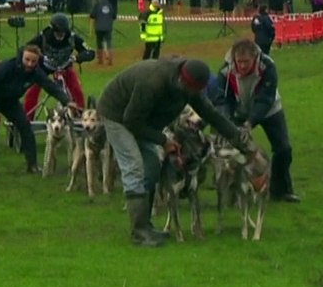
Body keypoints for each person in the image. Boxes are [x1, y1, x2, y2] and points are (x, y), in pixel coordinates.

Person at [96, 57, 261, 247]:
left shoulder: (190, 86)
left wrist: (243, 145)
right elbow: (131, 121)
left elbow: (212, 115)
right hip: (117, 115)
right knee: (134, 167)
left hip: (142, 119)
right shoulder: (152, 82)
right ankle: (139, 233)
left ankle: (146, 226)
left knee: (151, 166)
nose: (192, 94)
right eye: (190, 90)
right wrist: (163, 140)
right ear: (182, 81)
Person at [212, 39, 299, 203]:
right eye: (239, 62)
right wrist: (228, 122)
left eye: (246, 62)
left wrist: (250, 123)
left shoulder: (268, 66)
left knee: (283, 149)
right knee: (231, 150)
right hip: (239, 109)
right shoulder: (225, 70)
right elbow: (222, 99)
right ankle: (233, 190)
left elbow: (265, 98)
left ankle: (280, 190)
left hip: (269, 109)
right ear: (234, 59)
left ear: (255, 58)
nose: (243, 66)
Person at [0, 44, 79, 177]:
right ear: (22, 57)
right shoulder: (6, 67)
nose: (30, 64)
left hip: (10, 101)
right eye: (27, 60)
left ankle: (32, 166)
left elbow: (50, 86)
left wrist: (67, 101)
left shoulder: (36, 72)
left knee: (26, 127)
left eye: (33, 61)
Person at [24, 13, 94, 118]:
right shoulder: (43, 36)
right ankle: (27, 119)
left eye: (63, 33)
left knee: (77, 90)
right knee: (32, 92)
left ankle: (80, 116)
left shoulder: (72, 37)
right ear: (52, 30)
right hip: (44, 67)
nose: (61, 36)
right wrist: (37, 58)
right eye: (58, 33)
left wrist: (77, 58)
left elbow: (90, 52)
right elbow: (27, 48)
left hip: (65, 67)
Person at [89, 0, 117, 67]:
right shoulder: (110, 5)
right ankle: (110, 60)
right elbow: (114, 16)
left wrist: (91, 30)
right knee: (109, 43)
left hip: (99, 28)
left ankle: (100, 60)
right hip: (108, 27)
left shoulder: (97, 5)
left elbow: (92, 16)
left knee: (99, 43)